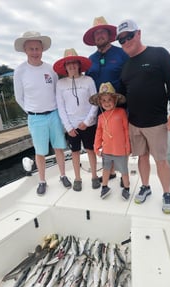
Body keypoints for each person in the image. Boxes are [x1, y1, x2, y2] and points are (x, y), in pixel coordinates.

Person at [116, 19, 170, 214]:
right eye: (121, 40)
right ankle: (145, 186)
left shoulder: (159, 53)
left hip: (156, 122)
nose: (126, 41)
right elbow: (123, 97)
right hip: (134, 123)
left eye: (129, 36)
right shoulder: (125, 67)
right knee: (142, 157)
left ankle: (167, 193)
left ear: (138, 33)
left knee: (161, 159)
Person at [13, 31, 71, 196]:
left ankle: (63, 175)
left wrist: (54, 111)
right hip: (36, 117)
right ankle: (42, 180)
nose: (35, 52)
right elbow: (19, 98)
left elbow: (56, 92)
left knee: (59, 147)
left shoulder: (50, 69)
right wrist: (33, 111)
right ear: (25, 50)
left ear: (42, 49)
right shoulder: (20, 71)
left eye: (37, 48)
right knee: (39, 152)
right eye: (31, 48)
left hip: (54, 114)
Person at [83, 16, 129, 183]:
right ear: (93, 38)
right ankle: (109, 173)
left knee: (120, 137)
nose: (99, 36)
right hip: (99, 108)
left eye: (102, 32)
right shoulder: (90, 60)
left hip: (120, 105)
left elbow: (131, 77)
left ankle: (124, 173)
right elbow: (86, 84)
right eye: (96, 33)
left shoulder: (122, 53)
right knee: (105, 138)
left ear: (109, 35)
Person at [53, 48, 100, 192]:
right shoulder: (60, 84)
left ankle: (94, 176)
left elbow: (95, 102)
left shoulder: (89, 80)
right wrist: (68, 126)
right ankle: (77, 178)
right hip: (71, 126)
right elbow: (60, 107)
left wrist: (87, 122)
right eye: (68, 63)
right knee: (75, 152)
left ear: (79, 65)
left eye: (74, 63)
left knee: (90, 150)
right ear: (65, 67)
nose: (71, 66)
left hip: (88, 124)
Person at [90, 82, 131, 200]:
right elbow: (98, 133)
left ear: (115, 100)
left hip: (120, 150)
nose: (107, 103)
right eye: (103, 101)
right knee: (106, 169)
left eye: (109, 100)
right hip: (106, 150)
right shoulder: (100, 117)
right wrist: (96, 146)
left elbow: (126, 130)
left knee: (124, 170)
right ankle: (104, 186)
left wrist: (128, 147)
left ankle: (126, 188)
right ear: (100, 103)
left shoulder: (121, 112)